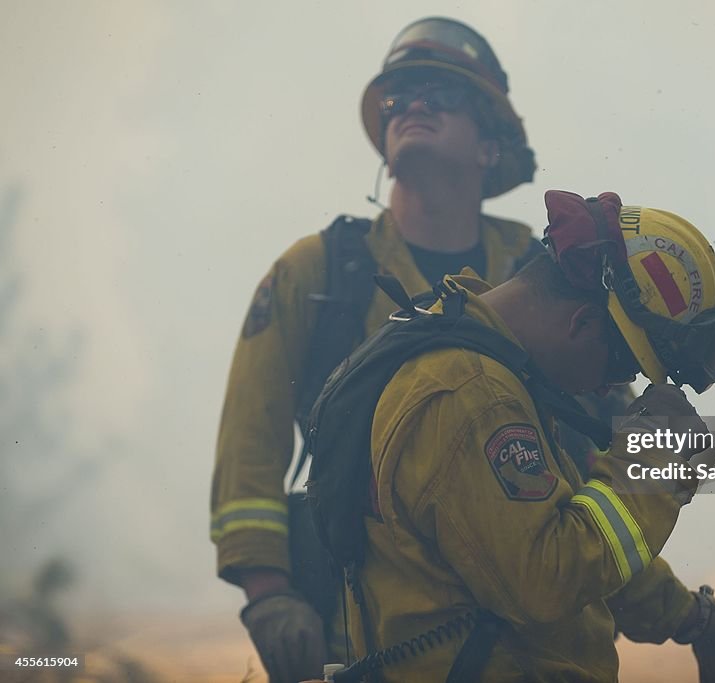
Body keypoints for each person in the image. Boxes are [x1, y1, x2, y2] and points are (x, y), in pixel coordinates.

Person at [306, 190, 715, 682]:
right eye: (623, 364)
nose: (612, 386)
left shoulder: (488, 361)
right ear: (584, 320)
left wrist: (690, 617)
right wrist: (654, 465)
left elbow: (566, 530)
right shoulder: (474, 394)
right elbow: (547, 578)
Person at [210, 17, 550, 683]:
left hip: (528, 638)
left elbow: (603, 440)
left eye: (441, 93)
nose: (412, 104)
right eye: (399, 95)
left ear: (490, 145)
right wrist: (270, 595)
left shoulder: (536, 274)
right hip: (360, 635)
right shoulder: (317, 274)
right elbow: (249, 446)